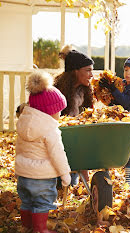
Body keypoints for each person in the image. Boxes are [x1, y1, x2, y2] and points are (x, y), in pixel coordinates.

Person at [15, 71, 71, 233]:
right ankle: (40, 229)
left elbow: (20, 149)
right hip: (42, 177)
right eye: (59, 111)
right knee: (41, 202)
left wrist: (18, 170)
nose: (60, 115)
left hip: (24, 174)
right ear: (50, 111)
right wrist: (65, 174)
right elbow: (57, 154)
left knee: (26, 202)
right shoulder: (50, 129)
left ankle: (26, 227)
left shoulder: (23, 123)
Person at [99, 56, 130, 189]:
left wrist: (114, 90)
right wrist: (109, 92)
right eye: (126, 69)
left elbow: (127, 101)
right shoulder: (124, 85)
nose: (127, 73)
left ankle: (129, 183)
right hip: (127, 125)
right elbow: (119, 104)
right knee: (127, 152)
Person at [54, 45, 94, 185]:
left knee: (72, 182)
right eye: (88, 70)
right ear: (75, 71)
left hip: (78, 138)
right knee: (64, 182)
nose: (91, 75)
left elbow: (88, 114)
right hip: (59, 140)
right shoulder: (58, 91)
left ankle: (79, 176)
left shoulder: (85, 90)